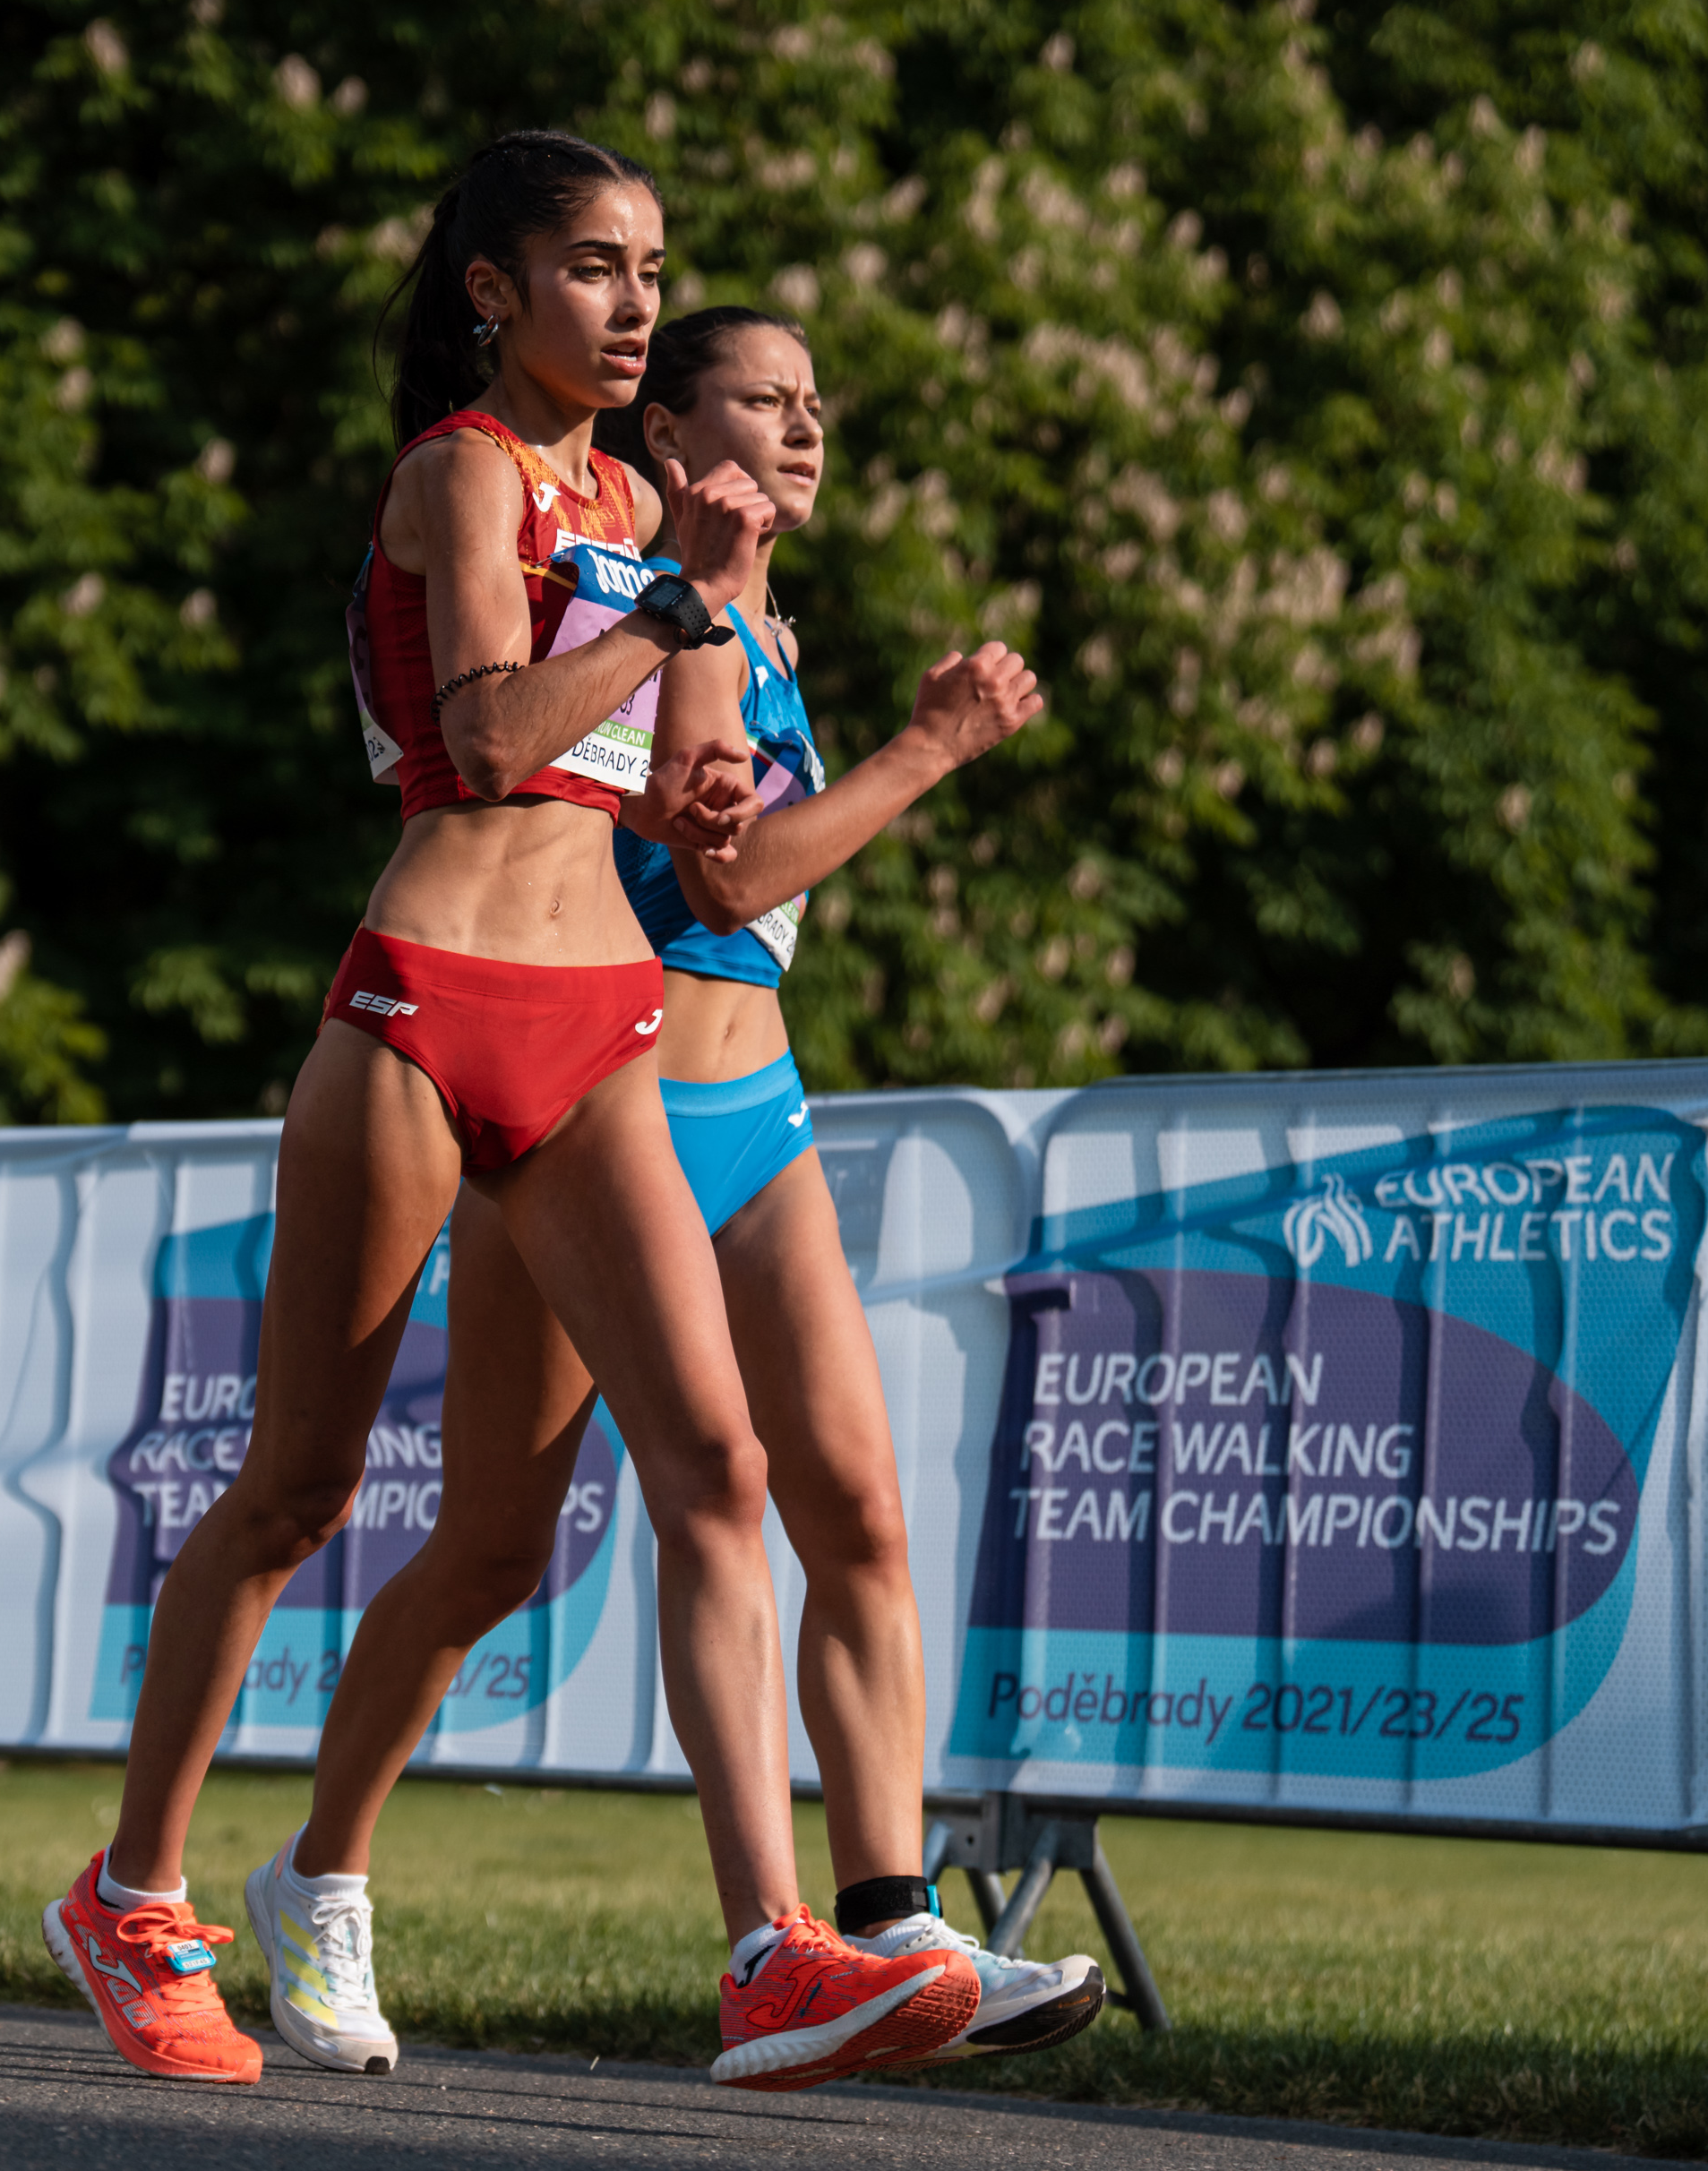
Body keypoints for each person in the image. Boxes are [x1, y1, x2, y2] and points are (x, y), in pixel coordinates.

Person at [42, 133, 980, 2091]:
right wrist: (669, 611)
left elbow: (671, 803)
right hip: (420, 1006)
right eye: (593, 268)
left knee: (715, 1466)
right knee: (299, 1488)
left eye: (652, 272)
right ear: (494, 291)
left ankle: (769, 1951)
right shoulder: (461, 471)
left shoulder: (640, 498)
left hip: (599, 1025)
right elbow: (481, 735)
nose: (634, 306)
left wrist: (702, 757)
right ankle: (131, 1896)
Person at [233, 305, 1096, 2087]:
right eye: (762, 399)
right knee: (491, 1547)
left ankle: (885, 1922)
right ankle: (317, 1872)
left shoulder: (769, 623)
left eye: (814, 400)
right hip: (597, 1108)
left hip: (754, 1112)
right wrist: (926, 753)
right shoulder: (652, 596)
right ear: (673, 436)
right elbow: (724, 887)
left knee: (850, 1506)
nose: (804, 427)